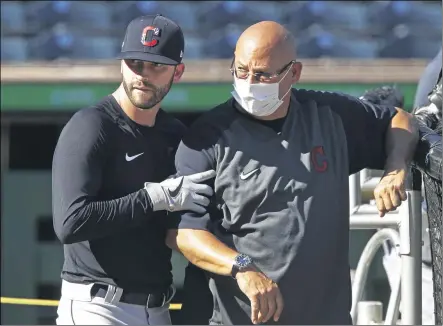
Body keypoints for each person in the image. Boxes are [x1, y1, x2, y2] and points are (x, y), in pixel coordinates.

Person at [165, 21, 419, 325]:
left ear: (294, 73)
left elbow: (400, 120)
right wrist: (242, 267)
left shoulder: (329, 117)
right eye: (241, 70)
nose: (249, 82)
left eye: (263, 75)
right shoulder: (206, 138)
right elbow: (185, 233)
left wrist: (395, 166)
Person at [52, 14, 215, 325]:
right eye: (136, 63)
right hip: (97, 305)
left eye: (157, 66)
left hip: (158, 308)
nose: (143, 74)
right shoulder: (91, 125)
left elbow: (173, 233)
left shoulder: (175, 134)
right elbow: (69, 224)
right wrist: (152, 198)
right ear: (122, 64)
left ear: (177, 72)